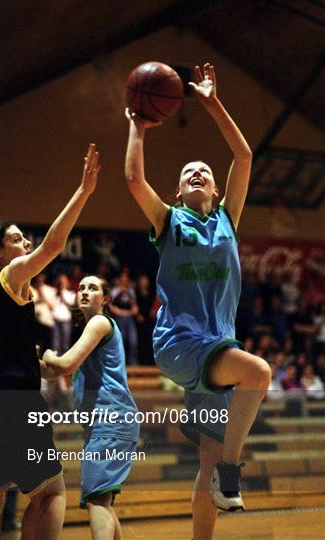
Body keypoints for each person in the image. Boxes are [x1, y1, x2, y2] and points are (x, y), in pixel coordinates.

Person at [125, 62, 271, 538]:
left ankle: (213, 494)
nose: (197, 173)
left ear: (214, 187)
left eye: (204, 171)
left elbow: (244, 156)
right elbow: (132, 181)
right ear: (178, 191)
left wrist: (211, 104)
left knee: (205, 463)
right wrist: (138, 128)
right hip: (180, 342)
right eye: (188, 171)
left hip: (215, 349)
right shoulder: (169, 221)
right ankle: (232, 469)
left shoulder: (229, 217)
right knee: (260, 372)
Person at [0, 144, 100, 540]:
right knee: (52, 491)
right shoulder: (10, 275)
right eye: (17, 240)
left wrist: (38, 356)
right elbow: (54, 245)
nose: (26, 244)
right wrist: (83, 192)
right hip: (14, 405)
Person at [41, 275, 139, 540]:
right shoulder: (91, 329)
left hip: (111, 420)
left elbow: (64, 365)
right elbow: (53, 373)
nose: (85, 291)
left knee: (96, 500)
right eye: (81, 287)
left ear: (105, 299)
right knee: (102, 500)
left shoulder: (98, 322)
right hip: (108, 423)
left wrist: (48, 355)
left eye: (93, 288)